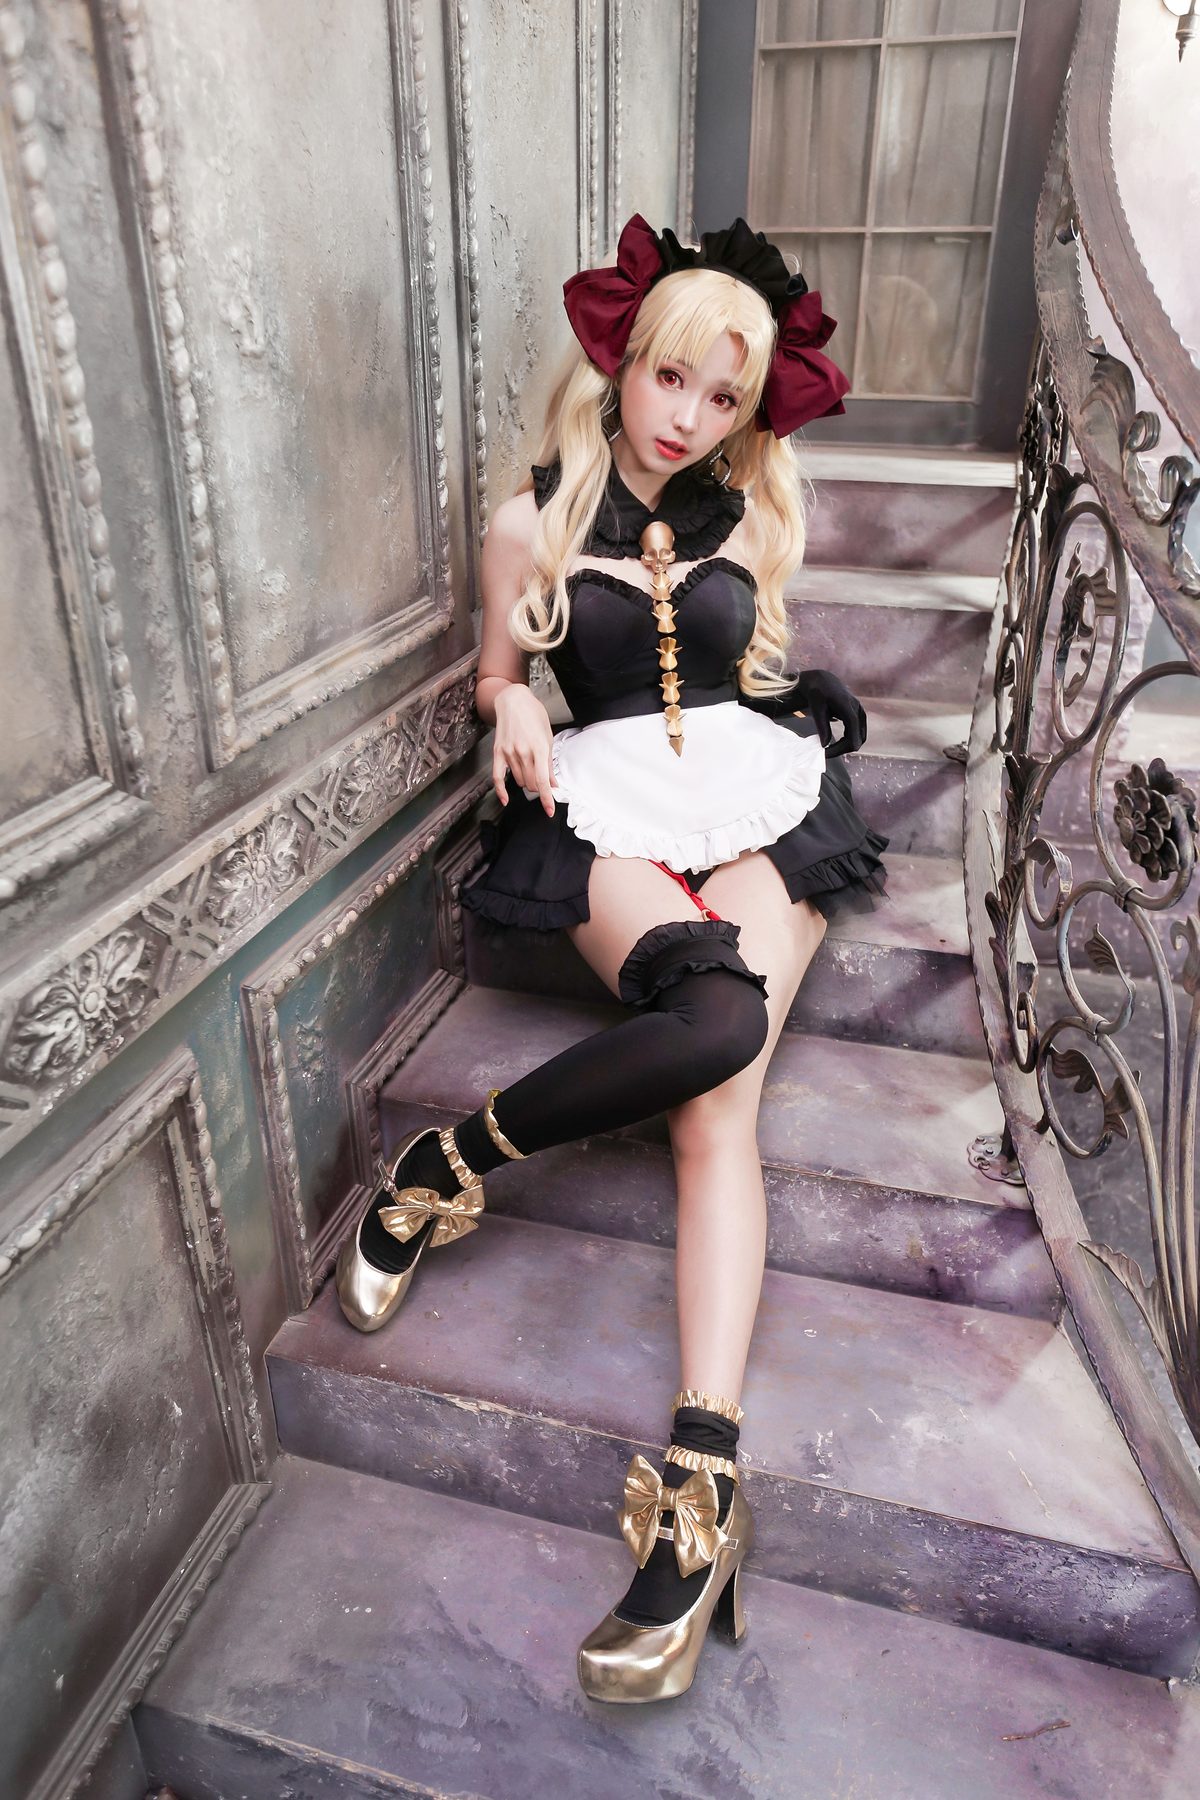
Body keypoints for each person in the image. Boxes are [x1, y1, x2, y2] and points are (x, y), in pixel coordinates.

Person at [335, 216, 887, 1702]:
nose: (687, 416)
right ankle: (445, 1167)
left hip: (756, 799)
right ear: (621, 360)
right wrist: (509, 697)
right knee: (714, 1027)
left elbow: (742, 665)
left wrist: (784, 694)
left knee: (719, 1104)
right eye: (669, 378)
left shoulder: (746, 512)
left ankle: (698, 1493)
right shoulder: (530, 519)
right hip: (606, 806)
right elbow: (497, 669)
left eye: (723, 396)